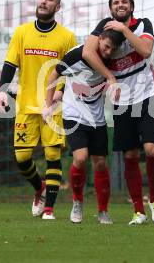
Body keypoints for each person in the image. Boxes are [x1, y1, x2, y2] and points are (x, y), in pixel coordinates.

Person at [82, 0, 154, 225]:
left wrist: (124, 31)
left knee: (152, 150)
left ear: (131, 6)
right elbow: (89, 52)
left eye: (124, 2)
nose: (120, 5)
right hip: (122, 101)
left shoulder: (142, 24)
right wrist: (110, 77)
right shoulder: (103, 26)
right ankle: (138, 211)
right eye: (116, 2)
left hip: (146, 96)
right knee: (130, 154)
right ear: (110, 8)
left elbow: (146, 50)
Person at [0, 0, 77, 220]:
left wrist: (59, 94)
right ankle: (39, 189)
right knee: (22, 158)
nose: (43, 2)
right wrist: (3, 91)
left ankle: (49, 208)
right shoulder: (22, 32)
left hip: (52, 107)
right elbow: (10, 64)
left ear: (57, 7)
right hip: (25, 105)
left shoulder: (66, 37)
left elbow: (69, 71)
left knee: (53, 155)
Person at [45, 29, 125, 224]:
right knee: (80, 158)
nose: (107, 52)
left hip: (96, 119)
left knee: (100, 163)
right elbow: (53, 75)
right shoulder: (77, 54)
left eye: (112, 50)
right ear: (99, 39)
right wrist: (48, 106)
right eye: (106, 46)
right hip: (74, 115)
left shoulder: (112, 61)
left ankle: (103, 210)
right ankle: (77, 202)